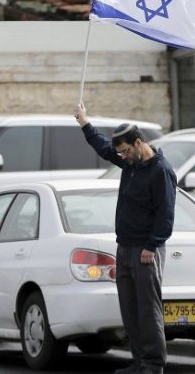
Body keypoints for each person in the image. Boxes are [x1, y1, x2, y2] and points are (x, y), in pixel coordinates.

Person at [74, 102, 176, 374]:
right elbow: (104, 148)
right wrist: (85, 122)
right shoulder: (131, 162)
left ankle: (153, 364)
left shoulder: (161, 171)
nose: (122, 156)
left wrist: (152, 245)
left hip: (146, 250)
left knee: (148, 309)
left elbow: (165, 214)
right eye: (121, 152)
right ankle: (139, 361)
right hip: (125, 246)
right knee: (130, 309)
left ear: (139, 143)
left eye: (126, 151)